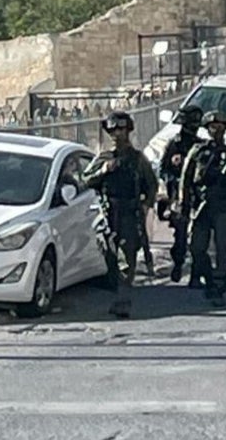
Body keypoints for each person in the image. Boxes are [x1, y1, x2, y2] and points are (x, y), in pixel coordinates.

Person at [82, 111, 158, 318]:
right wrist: (103, 170)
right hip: (108, 213)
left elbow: (151, 185)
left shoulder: (137, 159)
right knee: (110, 257)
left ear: (128, 130)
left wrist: (146, 205)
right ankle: (117, 294)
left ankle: (123, 301)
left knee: (127, 258)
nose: (117, 134)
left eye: (121, 129)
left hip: (129, 213)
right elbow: (86, 179)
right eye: (113, 130)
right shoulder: (104, 157)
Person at [178, 110, 226, 307]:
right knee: (197, 248)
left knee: (224, 247)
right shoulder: (197, 152)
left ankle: (219, 284)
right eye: (213, 127)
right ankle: (208, 277)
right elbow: (185, 180)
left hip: (223, 206)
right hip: (202, 205)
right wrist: (183, 205)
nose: (217, 131)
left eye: (220, 127)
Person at [158, 104, 205, 285]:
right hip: (179, 198)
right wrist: (175, 181)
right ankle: (178, 263)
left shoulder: (200, 145)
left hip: (197, 197)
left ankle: (195, 275)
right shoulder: (174, 144)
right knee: (181, 237)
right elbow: (162, 170)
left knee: (198, 237)